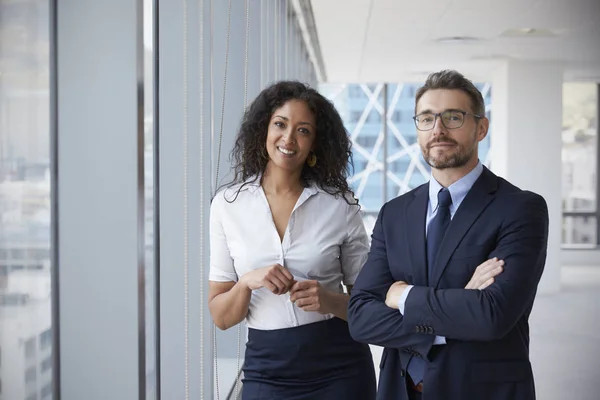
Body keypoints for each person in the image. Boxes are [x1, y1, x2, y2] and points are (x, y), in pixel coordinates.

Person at [347, 70, 549, 400]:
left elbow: (491, 316)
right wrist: (459, 304)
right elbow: (360, 319)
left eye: (453, 117)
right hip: (402, 390)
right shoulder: (395, 213)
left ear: (481, 127)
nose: (438, 129)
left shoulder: (520, 208)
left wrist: (403, 297)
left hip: (483, 391)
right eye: (427, 119)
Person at [208, 81, 376, 400]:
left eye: (303, 130)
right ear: (263, 130)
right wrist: (245, 283)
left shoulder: (340, 206)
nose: (288, 139)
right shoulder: (227, 206)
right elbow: (222, 317)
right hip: (266, 368)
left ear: (315, 143)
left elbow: (369, 306)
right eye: (280, 124)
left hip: (340, 368)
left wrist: (326, 299)